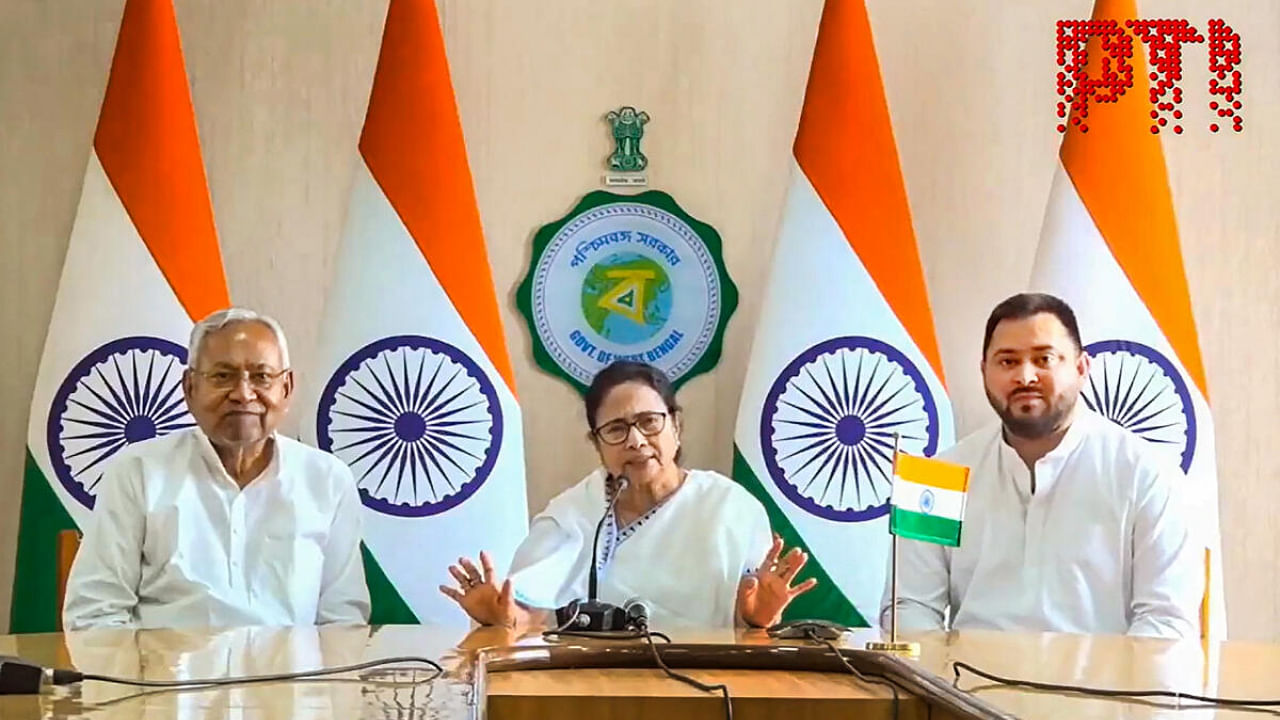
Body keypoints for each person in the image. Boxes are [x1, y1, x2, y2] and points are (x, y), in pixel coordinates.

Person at [882, 293, 1202, 639]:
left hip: (1101, 689)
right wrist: (937, 688)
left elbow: (1166, 622)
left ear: (1081, 369)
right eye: (1007, 362)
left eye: (1044, 359)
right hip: (963, 687)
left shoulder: (1148, 473)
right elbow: (907, 608)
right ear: (984, 371)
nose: (1025, 376)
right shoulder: (935, 475)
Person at [440, 361, 816, 629]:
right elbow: (534, 617)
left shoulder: (731, 508)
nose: (636, 441)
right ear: (597, 444)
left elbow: (748, 621)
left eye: (649, 422)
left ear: (676, 426)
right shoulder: (571, 514)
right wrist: (501, 617)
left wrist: (759, 614)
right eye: (617, 429)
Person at [63, 309, 370, 629]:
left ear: (287, 388)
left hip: (292, 676)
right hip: (166, 676)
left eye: (262, 376)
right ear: (190, 388)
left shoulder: (328, 479)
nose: (243, 393)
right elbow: (95, 614)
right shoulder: (138, 471)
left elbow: (342, 622)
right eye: (223, 376)